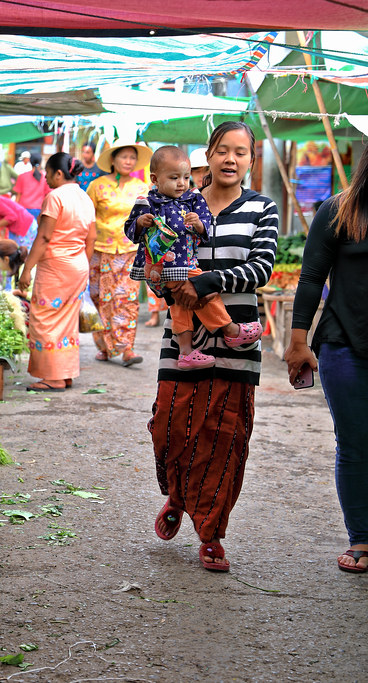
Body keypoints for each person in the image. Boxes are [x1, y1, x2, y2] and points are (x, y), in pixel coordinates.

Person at [149, 122, 278, 572]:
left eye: (240, 152)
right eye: (223, 150)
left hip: (238, 334)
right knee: (169, 426)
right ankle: (179, 493)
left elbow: (262, 267)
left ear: (250, 160)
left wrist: (208, 280)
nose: (230, 159)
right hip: (184, 337)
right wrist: (164, 281)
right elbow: (153, 255)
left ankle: (211, 533)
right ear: (207, 153)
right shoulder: (177, 200)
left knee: (225, 438)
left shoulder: (263, 207)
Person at [285, 149, 368, 573]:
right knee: (355, 445)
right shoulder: (339, 210)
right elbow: (311, 277)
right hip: (343, 344)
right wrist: (298, 341)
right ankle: (362, 538)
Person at [125, 146, 262, 369]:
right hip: (160, 267)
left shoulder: (193, 200)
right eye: (174, 177)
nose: (182, 183)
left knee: (180, 305)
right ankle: (231, 330)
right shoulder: (147, 202)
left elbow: (206, 228)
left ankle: (186, 351)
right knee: (206, 295)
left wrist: (198, 224)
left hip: (183, 264)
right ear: (155, 179)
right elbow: (131, 231)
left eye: (186, 177)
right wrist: (140, 223)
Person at [0, 153, 96, 391]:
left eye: (49, 174)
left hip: (56, 268)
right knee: (66, 321)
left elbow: (45, 236)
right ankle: (65, 374)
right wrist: (82, 266)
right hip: (78, 265)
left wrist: (26, 269)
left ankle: (54, 377)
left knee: (45, 319)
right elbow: (91, 238)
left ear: (59, 174)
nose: (46, 179)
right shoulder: (84, 197)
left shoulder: (55, 197)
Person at [86, 140, 152, 366]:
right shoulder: (96, 185)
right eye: (123, 157)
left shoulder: (142, 187)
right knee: (101, 299)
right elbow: (87, 218)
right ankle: (104, 346)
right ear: (112, 160)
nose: (128, 161)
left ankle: (127, 349)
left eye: (132, 158)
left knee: (127, 299)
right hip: (100, 250)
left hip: (131, 251)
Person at [11, 152, 51, 220]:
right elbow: (48, 195)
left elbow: (18, 196)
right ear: (41, 163)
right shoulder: (45, 177)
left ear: (30, 161)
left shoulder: (22, 176)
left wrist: (14, 211)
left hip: (23, 210)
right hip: (39, 210)